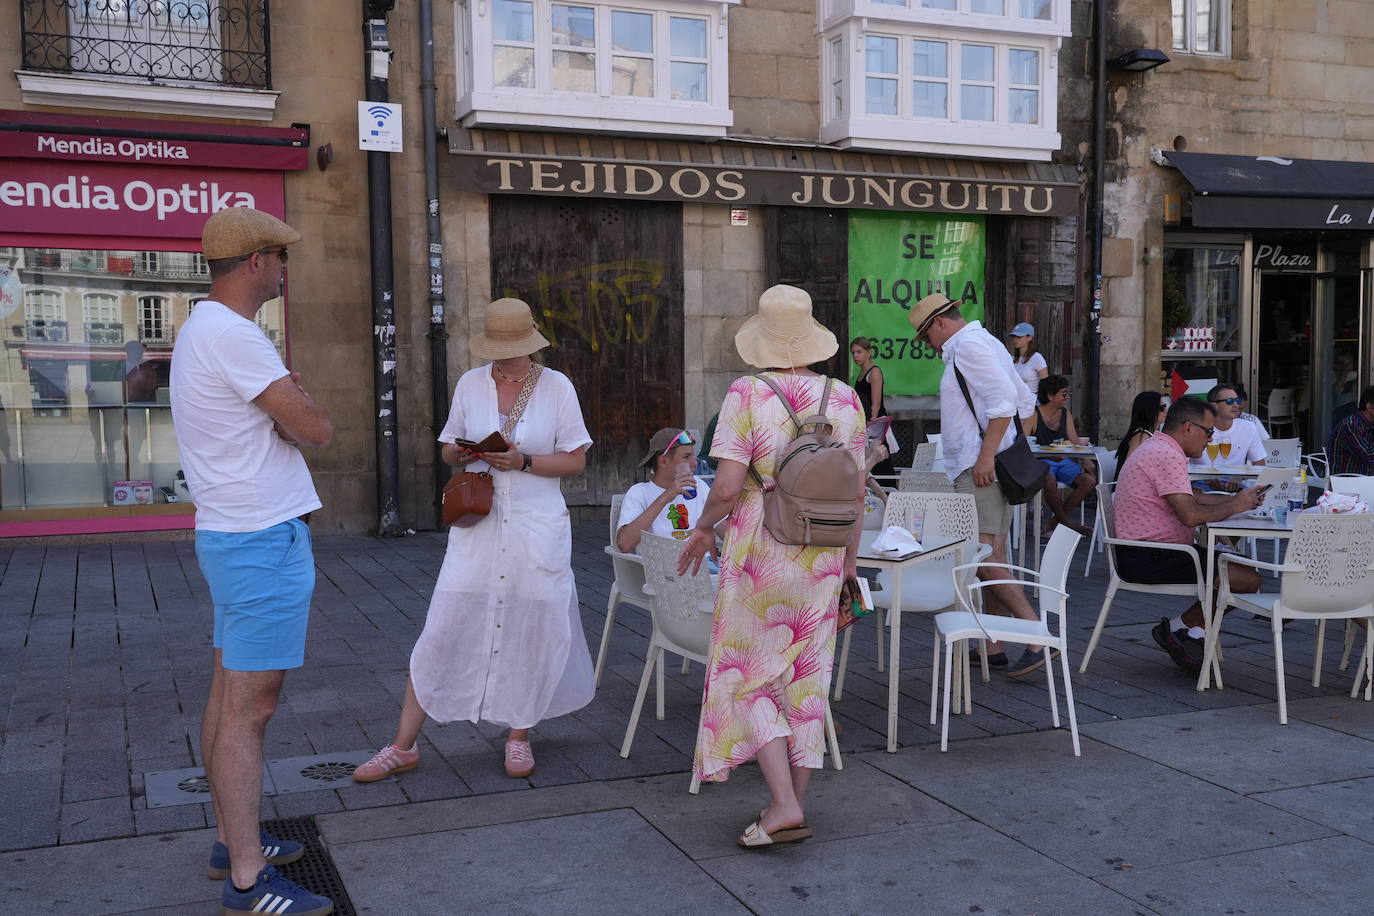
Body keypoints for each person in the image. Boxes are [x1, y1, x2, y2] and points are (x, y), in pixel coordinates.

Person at [353, 298, 594, 785]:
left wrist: (523, 461)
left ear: (531, 344)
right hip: (478, 526)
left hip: (535, 525)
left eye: (513, 349)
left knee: (534, 628)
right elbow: (446, 447)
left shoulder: (556, 388)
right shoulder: (470, 383)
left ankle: (519, 736)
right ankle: (402, 745)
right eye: (498, 349)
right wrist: (463, 454)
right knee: (443, 627)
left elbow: (576, 461)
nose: (504, 359)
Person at [171, 207, 335, 915]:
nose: (285, 269)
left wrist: (284, 401)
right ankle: (247, 878)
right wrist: (294, 398)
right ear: (254, 263)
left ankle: (227, 840)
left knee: (226, 692)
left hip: (235, 535)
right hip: (260, 540)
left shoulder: (202, 329)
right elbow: (317, 429)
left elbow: (282, 420)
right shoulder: (236, 338)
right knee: (250, 709)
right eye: (280, 257)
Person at [676, 284, 865, 848]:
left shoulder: (747, 393)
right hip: (825, 554)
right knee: (804, 684)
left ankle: (783, 803)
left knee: (744, 678)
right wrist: (850, 563)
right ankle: (792, 807)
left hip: (762, 548)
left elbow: (730, 485)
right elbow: (855, 496)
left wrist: (705, 525)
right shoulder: (844, 398)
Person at [910, 293, 1052, 677]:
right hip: (985, 464)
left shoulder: (969, 345)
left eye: (925, 337)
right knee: (992, 553)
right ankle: (993, 644)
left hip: (979, 468)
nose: (928, 345)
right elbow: (1023, 402)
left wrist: (987, 455)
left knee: (983, 557)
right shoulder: (982, 341)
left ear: (939, 323)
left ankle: (1036, 635)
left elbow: (1005, 403)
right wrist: (1002, 449)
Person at [1113, 398, 1262, 673]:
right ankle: (1182, 630)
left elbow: (1194, 498)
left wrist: (1238, 499)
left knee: (1238, 568)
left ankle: (1185, 631)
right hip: (1148, 556)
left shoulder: (1161, 448)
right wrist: (1235, 506)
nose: (1211, 439)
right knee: (1246, 578)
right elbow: (1191, 516)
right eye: (1209, 432)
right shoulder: (1165, 454)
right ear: (1188, 428)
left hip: (1147, 550)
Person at [617, 427, 713, 552]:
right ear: (663, 461)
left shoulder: (698, 485)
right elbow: (625, 544)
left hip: (703, 567)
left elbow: (722, 528)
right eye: (686, 456)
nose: (695, 463)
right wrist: (666, 497)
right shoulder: (639, 493)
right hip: (661, 569)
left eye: (693, 456)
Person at [1023, 375, 1096, 533]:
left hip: (1062, 462)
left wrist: (1086, 459)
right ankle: (1069, 526)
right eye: (1063, 394)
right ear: (1050, 396)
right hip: (1040, 463)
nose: (1067, 397)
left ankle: (1056, 521)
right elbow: (1023, 444)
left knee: (1089, 481)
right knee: (1049, 479)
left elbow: (1075, 442)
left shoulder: (1065, 414)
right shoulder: (1033, 415)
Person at [1191, 383, 1266, 482]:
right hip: (1202, 484)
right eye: (1230, 401)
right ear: (1214, 406)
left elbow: (1260, 466)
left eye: (1237, 401)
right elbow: (1185, 464)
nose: (1236, 405)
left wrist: (1239, 478)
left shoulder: (1248, 427)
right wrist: (1207, 478)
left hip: (1237, 487)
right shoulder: (1198, 428)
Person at [850, 336, 895, 477]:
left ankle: (888, 492)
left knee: (880, 461)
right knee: (869, 461)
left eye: (859, 352)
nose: (855, 356)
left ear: (869, 352)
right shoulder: (861, 372)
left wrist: (870, 425)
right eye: (853, 353)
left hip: (875, 425)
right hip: (866, 424)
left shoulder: (874, 372)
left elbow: (876, 403)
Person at [1327, 384, 1374, 475]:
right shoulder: (1351, 425)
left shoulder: (1370, 424)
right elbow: (1370, 458)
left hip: (1365, 480)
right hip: (1346, 483)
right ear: (1370, 407)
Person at [1114, 390, 1166, 471]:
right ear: (1149, 410)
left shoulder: (1147, 434)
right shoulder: (1141, 436)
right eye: (1162, 408)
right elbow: (1131, 468)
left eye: (1165, 406)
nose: (1166, 410)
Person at [1007, 321, 1048, 398]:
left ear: (1029, 338)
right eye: (1014, 336)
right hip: (1014, 403)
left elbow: (1046, 384)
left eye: (1019, 337)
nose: (1015, 339)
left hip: (1032, 403)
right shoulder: (1011, 359)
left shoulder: (1037, 358)